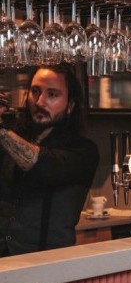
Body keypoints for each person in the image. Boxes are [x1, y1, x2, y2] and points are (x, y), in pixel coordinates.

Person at [0, 64, 99, 257]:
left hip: (48, 269)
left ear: (70, 106)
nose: (40, 101)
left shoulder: (83, 150)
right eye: (35, 92)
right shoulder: (11, 139)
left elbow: (41, 164)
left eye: (52, 94)